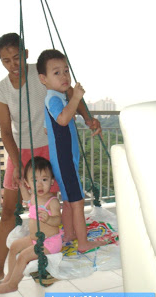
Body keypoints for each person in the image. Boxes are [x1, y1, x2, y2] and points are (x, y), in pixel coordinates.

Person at [0, 33, 102, 285]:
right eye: (6, 61)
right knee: (8, 209)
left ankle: (46, 264)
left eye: (16, 58)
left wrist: (88, 118)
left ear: (25, 53)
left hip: (48, 149)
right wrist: (16, 165)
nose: (13, 65)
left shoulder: (45, 73)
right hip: (20, 151)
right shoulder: (2, 89)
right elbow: (5, 130)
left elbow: (70, 95)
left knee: (53, 205)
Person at [37, 49, 106, 253]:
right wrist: (76, 97)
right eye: (56, 72)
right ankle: (83, 244)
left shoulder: (56, 98)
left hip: (65, 159)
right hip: (64, 160)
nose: (64, 76)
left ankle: (69, 234)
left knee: (68, 201)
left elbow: (47, 127)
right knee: (77, 202)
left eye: (66, 71)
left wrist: (74, 103)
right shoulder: (54, 99)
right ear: (44, 79)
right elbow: (63, 119)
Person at [0, 156, 62, 294]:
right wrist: (20, 186)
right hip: (35, 239)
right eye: (34, 180)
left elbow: (58, 221)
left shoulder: (52, 201)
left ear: (52, 181)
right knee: (14, 247)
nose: (39, 185)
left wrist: (49, 219)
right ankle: (9, 276)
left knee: (23, 256)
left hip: (49, 242)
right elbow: (26, 198)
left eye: (44, 179)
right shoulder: (34, 196)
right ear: (28, 183)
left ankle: (13, 284)